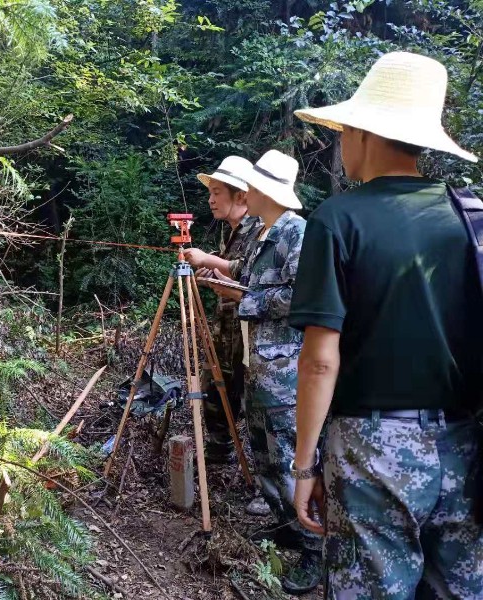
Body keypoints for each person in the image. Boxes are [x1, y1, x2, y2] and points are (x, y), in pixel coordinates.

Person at [289, 51, 483, 599]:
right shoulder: (470, 217)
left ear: (362, 132)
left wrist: (305, 467)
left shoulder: (338, 219)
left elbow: (320, 359)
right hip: (463, 445)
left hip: (371, 450)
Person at [204, 149, 323, 595]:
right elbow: (249, 274)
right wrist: (223, 277)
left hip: (286, 369)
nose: (244, 193)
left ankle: (315, 548)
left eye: (250, 186)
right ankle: (287, 525)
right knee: (266, 455)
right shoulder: (265, 233)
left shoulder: (299, 233)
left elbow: (303, 295)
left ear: (266, 191)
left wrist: (243, 300)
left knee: (291, 457)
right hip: (258, 364)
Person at [183, 157, 263, 473]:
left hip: (249, 335)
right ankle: (218, 454)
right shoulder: (230, 232)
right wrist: (211, 270)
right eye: (210, 192)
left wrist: (212, 264)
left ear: (240, 196)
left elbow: (253, 288)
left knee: (255, 406)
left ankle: (264, 479)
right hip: (224, 331)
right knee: (215, 390)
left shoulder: (258, 231)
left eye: (217, 192)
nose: (210, 199)